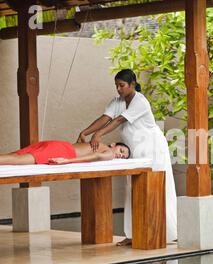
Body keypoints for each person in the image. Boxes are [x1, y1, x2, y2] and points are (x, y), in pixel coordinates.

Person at [77, 69, 177, 246]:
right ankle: (132, 234)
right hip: (135, 151)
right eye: (116, 85)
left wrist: (98, 135)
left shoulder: (140, 102)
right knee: (131, 189)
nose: (118, 89)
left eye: (121, 85)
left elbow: (118, 121)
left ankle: (165, 232)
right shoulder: (117, 102)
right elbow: (106, 118)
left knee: (157, 189)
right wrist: (85, 132)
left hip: (153, 149)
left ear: (132, 84)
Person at [0, 140, 130, 165]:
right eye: (121, 150)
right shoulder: (108, 153)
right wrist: (67, 160)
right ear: (113, 144)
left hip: (58, 143)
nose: (120, 155)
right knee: (16, 160)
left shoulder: (96, 144)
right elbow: (95, 156)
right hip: (62, 150)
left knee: (14, 156)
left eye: (123, 157)